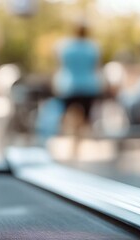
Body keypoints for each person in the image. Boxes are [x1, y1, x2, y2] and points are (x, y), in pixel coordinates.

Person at [53, 22, 103, 158]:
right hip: (88, 86)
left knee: (67, 118)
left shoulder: (67, 47)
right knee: (86, 120)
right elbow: (96, 67)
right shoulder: (92, 48)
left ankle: (72, 147)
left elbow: (61, 65)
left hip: (70, 86)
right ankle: (78, 147)